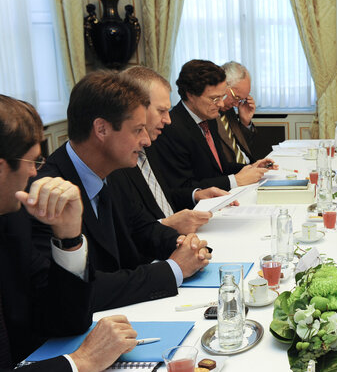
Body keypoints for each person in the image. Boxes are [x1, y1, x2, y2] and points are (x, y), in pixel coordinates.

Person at [0, 95, 138, 372]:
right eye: (32, 161)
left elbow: (63, 321)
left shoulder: (11, 221)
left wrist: (68, 236)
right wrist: (81, 362)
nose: (36, 174)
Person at [31, 71, 211, 311]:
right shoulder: (48, 192)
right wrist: (173, 269)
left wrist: (183, 244)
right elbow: (84, 288)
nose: (146, 140)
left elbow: (141, 228)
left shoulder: (113, 169)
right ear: (102, 129)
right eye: (138, 130)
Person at [109, 66, 228, 234]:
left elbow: (163, 198)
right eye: (161, 111)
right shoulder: (117, 160)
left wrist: (196, 195)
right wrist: (169, 227)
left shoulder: (149, 146)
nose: (168, 120)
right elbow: (129, 231)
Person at [151, 60, 276, 191]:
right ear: (191, 95)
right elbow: (183, 188)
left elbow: (220, 167)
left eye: (222, 97)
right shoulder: (171, 128)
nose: (221, 104)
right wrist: (235, 181)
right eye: (214, 99)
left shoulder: (208, 118)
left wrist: (250, 168)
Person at [218, 61, 271, 163]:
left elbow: (245, 148)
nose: (237, 104)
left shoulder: (228, 110)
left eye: (241, 100)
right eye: (236, 97)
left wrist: (245, 122)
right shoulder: (208, 114)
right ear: (223, 85)